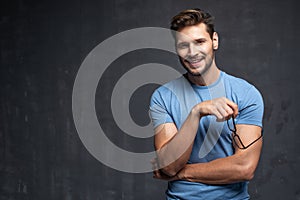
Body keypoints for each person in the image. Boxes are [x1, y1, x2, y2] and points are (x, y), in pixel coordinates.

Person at [149, 8, 264, 199]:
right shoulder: (163, 97)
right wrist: (196, 113)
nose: (192, 52)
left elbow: (244, 168)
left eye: (200, 42)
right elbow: (169, 166)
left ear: (215, 41)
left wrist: (183, 173)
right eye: (183, 45)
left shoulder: (246, 94)